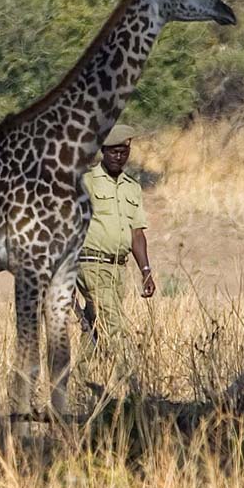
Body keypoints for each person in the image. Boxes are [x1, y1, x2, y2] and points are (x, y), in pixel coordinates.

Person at [77, 123, 156, 350]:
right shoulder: (86, 181)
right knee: (115, 327)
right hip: (92, 265)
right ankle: (132, 381)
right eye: (113, 151)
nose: (119, 157)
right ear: (103, 150)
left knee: (94, 329)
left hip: (118, 269)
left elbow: (137, 233)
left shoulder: (131, 187)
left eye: (124, 152)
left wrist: (146, 272)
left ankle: (82, 384)